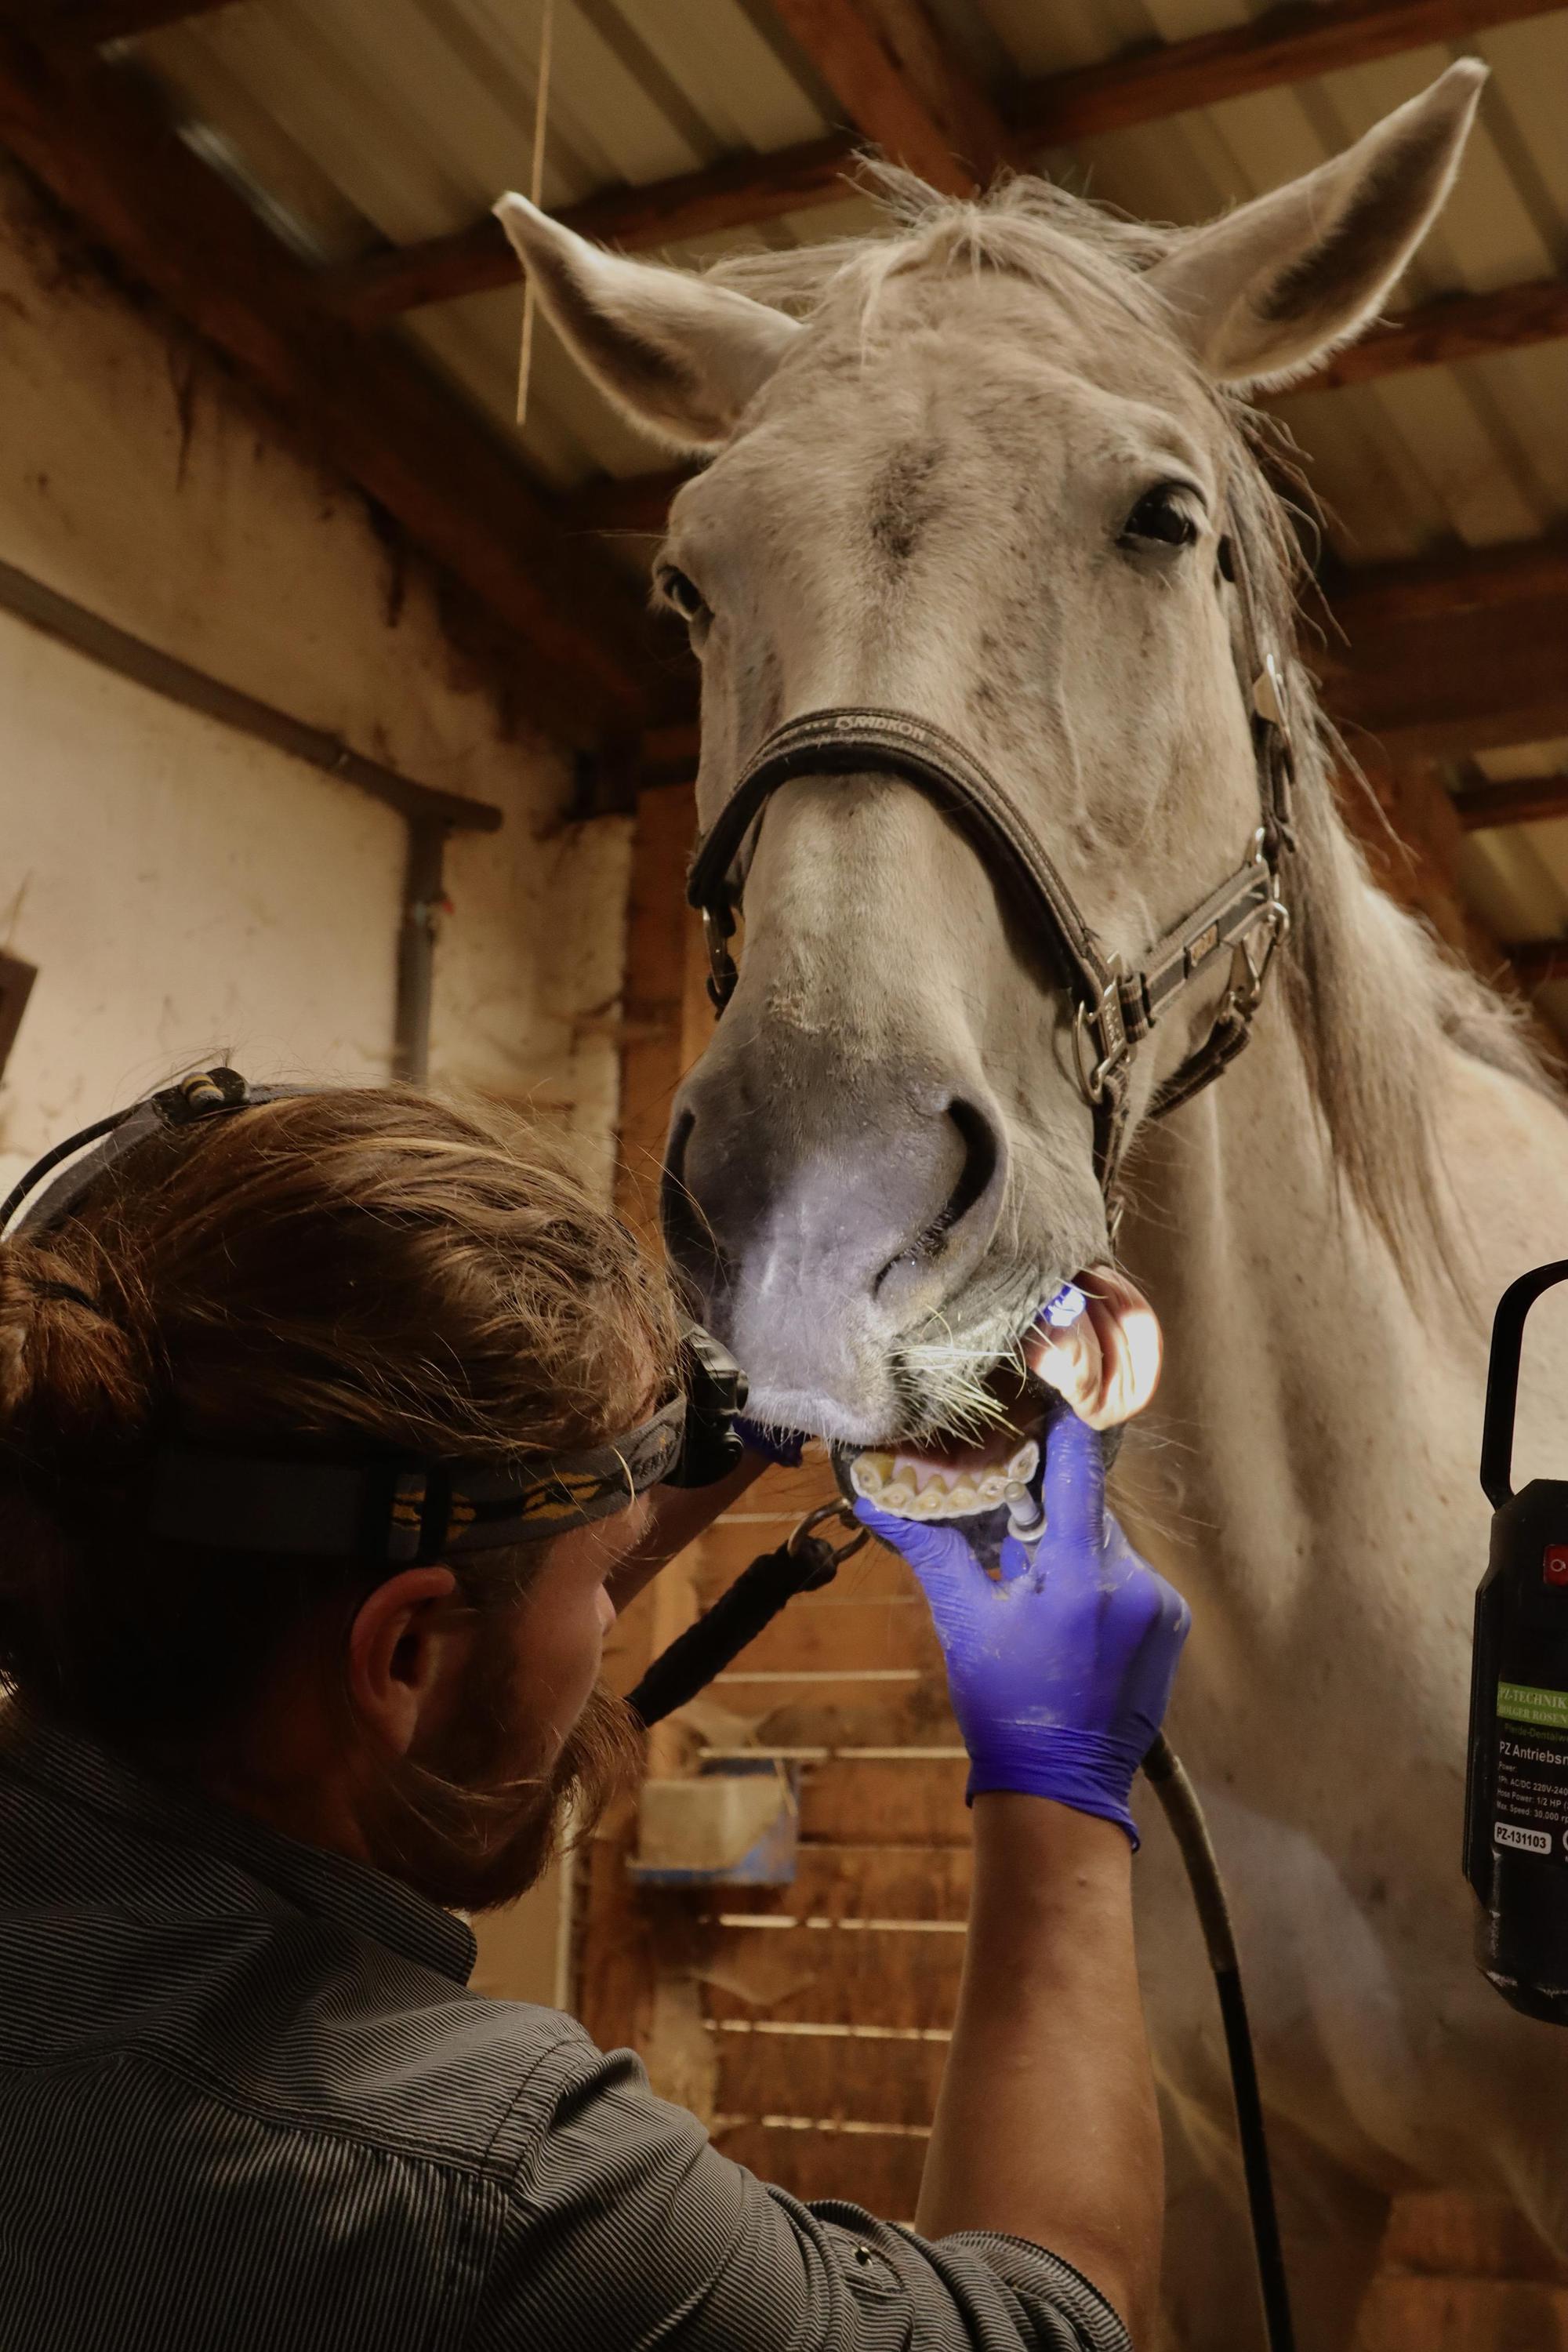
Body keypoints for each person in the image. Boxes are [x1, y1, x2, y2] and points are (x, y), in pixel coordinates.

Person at [0, 1076, 1189, 2350]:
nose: (615, 1613)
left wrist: (658, 1456)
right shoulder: (478, 2187)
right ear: (403, 1653)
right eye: (603, 1568)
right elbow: (1060, 2322)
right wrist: (1057, 1786)